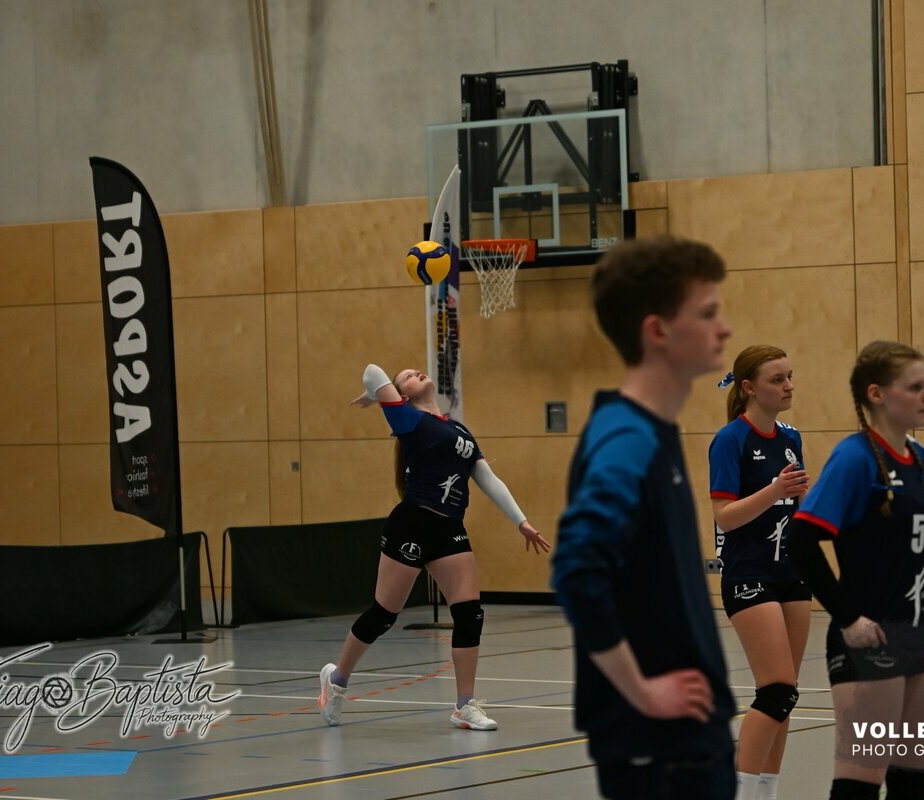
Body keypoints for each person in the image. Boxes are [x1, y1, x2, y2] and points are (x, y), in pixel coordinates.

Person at [552, 235, 736, 800]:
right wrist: (641, 691)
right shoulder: (627, 437)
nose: (724, 328)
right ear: (657, 330)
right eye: (707, 313)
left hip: (685, 743)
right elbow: (578, 570)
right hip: (660, 753)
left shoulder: (651, 430)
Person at [317, 364, 551, 731]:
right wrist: (377, 394)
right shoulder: (407, 419)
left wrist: (521, 521)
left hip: (449, 528)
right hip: (412, 522)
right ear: (402, 394)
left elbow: (487, 478)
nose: (417, 372)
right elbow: (372, 371)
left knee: (470, 613)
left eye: (416, 370)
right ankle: (336, 681)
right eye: (408, 376)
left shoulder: (459, 430)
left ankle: (464, 705)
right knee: (383, 615)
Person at [786, 341, 924, 800]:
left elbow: (908, 549)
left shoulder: (918, 457)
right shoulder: (854, 458)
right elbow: (800, 541)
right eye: (914, 387)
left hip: (920, 635)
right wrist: (848, 617)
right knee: (860, 782)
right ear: (876, 394)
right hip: (871, 641)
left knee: (916, 779)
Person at [708, 345, 811, 800]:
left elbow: (798, 505)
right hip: (749, 575)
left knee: (786, 695)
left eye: (789, 376)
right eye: (777, 379)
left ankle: (766, 793)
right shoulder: (730, 440)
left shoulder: (791, 437)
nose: (788, 386)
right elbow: (725, 516)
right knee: (776, 690)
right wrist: (773, 490)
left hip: (792, 572)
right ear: (749, 387)